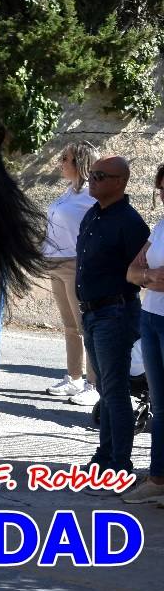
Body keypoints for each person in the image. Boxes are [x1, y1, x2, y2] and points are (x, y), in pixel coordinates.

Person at [75, 155, 148, 477]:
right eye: (92, 174)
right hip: (92, 313)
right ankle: (106, 456)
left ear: (120, 182)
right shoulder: (94, 214)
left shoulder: (131, 223)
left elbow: (140, 272)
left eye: (100, 176)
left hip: (114, 312)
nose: (93, 179)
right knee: (106, 387)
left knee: (115, 390)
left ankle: (118, 463)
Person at [42, 141, 100, 402]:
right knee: (69, 326)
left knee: (85, 325)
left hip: (76, 264)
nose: (60, 163)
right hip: (55, 263)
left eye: (65, 159)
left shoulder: (91, 194)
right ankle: (74, 378)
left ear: (79, 162)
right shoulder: (69, 192)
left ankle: (94, 386)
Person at [123, 163, 164, 504]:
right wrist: (149, 278)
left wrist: (145, 276)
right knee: (161, 404)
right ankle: (158, 477)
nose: (163, 195)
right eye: (161, 189)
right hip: (151, 317)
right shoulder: (162, 225)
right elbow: (132, 271)